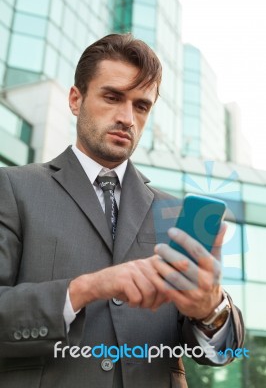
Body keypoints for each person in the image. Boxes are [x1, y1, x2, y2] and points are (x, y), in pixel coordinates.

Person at [0, 33, 244, 388]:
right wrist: (84, 288)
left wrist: (211, 309)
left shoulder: (175, 214)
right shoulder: (13, 188)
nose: (127, 117)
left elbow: (221, 353)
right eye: (113, 97)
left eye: (141, 106)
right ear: (75, 99)